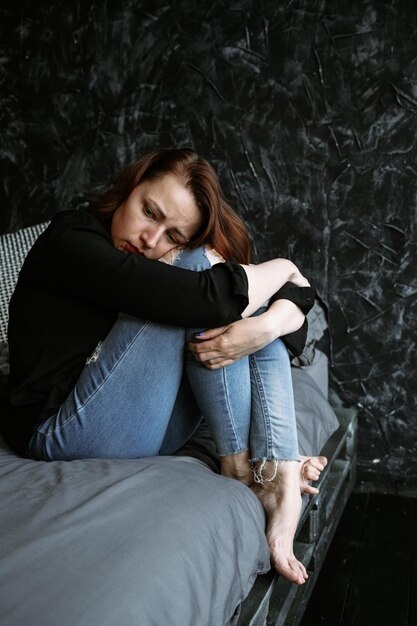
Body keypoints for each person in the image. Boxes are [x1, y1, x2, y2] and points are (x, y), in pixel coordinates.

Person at [2, 148, 326, 585]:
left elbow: (294, 335)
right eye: (148, 212)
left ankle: (276, 469)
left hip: (138, 423)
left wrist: (267, 324)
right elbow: (207, 297)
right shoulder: (70, 238)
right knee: (207, 277)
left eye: (173, 235)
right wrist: (286, 269)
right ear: (129, 187)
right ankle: (247, 469)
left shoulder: (152, 258)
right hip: (58, 432)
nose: (151, 239)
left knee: (236, 297)